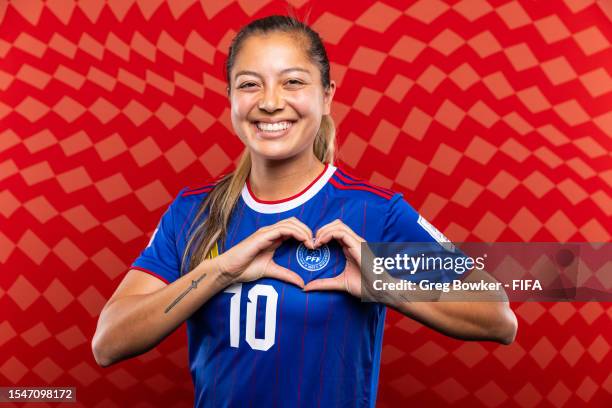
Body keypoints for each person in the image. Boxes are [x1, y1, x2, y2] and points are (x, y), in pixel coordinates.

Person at [92, 15, 517, 407]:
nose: (271, 102)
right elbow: (108, 342)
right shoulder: (193, 213)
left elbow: (498, 317)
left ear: (327, 96)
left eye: (293, 82)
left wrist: (386, 285)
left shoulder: (376, 212)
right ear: (230, 99)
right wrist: (219, 271)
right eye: (249, 84)